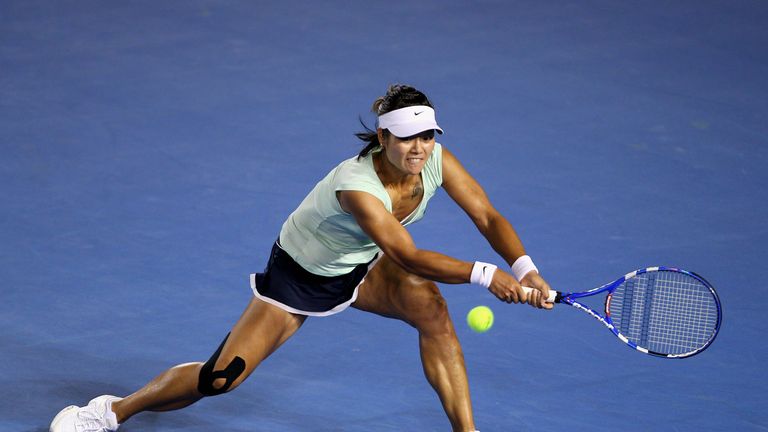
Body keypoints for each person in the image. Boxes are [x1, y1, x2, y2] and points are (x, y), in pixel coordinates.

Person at [50, 84, 553, 432]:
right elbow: (407, 253)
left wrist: (526, 268)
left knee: (434, 312)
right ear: (383, 138)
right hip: (301, 277)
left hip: (365, 266)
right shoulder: (357, 186)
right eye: (407, 139)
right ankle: (110, 412)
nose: (420, 149)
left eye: (427, 137)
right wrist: (488, 275)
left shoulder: (437, 160)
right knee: (220, 379)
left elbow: (487, 216)